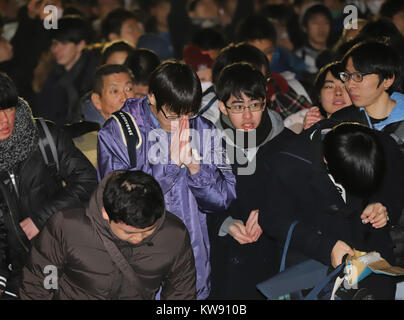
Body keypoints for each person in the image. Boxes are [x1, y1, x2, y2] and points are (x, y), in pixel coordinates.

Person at [97, 60, 236, 300]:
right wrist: (171, 165)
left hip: (193, 263)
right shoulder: (119, 132)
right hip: (139, 266)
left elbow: (223, 199)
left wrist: (195, 168)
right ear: (151, 97)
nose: (183, 123)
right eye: (173, 115)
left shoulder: (204, 129)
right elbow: (122, 206)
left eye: (189, 114)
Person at [258, 121, 404, 299]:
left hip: (375, 265)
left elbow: (394, 186)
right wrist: (325, 247)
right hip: (320, 273)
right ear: (325, 160)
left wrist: (382, 205)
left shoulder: (378, 144)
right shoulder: (288, 162)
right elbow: (273, 219)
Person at [19, 170, 196, 300]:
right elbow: (38, 283)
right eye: (129, 233)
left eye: (149, 231)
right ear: (105, 213)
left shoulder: (174, 236)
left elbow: (181, 294)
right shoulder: (67, 227)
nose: (139, 239)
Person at [0, 72, 98, 299]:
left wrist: (40, 218)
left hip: (63, 255)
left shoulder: (44, 137)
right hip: (18, 270)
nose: (4, 120)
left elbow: (87, 181)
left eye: (9, 109)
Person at [207, 62, 295, 299]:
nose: (247, 116)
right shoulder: (209, 147)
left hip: (277, 261)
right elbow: (196, 202)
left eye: (254, 105)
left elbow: (304, 199)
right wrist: (224, 223)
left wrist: (270, 212)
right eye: (237, 107)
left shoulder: (288, 143)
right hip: (226, 265)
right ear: (222, 108)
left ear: (265, 103)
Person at [331, 40, 404, 154]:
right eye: (346, 76)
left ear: (387, 80)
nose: (349, 85)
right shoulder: (340, 121)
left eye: (358, 76)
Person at [32, 15, 99, 126]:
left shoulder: (94, 75)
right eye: (55, 43)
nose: (56, 49)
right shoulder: (50, 74)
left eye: (63, 43)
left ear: (80, 45)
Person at [293, 61, 352, 133]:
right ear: (319, 95)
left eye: (344, 86)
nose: (338, 92)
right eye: (330, 87)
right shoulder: (304, 121)